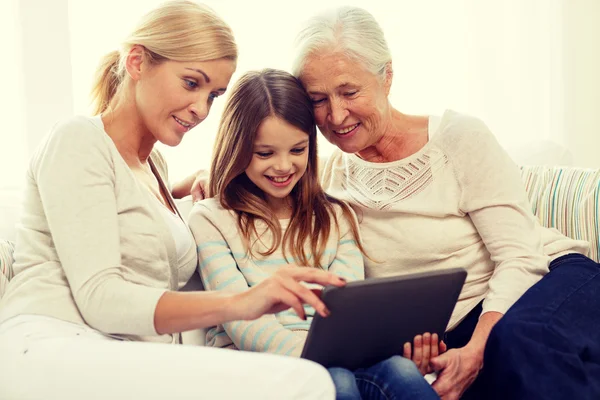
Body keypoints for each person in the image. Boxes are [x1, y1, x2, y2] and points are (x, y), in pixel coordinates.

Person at [0, 2, 348, 399]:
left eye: (213, 95)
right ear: (136, 62)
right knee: (305, 381)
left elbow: (133, 212)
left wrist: (187, 187)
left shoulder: (153, 168)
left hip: (120, 351)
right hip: (51, 340)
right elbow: (99, 297)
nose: (201, 109)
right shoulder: (78, 139)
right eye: (191, 83)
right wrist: (242, 302)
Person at [289, 6, 599, 400]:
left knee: (518, 345)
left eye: (349, 92)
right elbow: (264, 164)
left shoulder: (457, 138)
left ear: (386, 77)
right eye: (318, 99)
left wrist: (478, 348)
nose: (335, 114)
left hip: (547, 280)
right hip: (461, 327)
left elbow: (521, 257)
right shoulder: (325, 177)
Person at [187, 68, 442, 400]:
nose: (283, 166)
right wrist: (317, 360)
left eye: (297, 150)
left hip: (338, 360)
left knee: (402, 371)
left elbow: (347, 310)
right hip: (257, 367)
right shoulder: (212, 219)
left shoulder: (335, 217)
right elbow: (242, 321)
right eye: (265, 153)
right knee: (336, 382)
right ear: (237, 147)